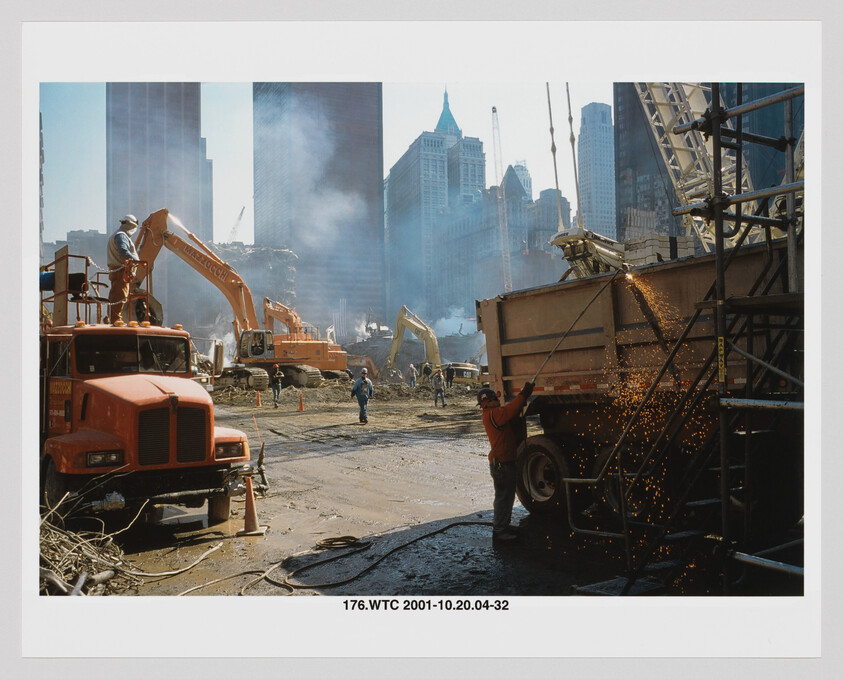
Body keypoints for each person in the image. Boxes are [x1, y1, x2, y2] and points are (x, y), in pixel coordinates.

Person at [477, 381, 534, 542]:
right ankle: (500, 530)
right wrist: (524, 394)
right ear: (487, 402)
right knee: (503, 497)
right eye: (495, 398)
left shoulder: (492, 413)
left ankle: (503, 525)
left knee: (506, 497)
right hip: (501, 464)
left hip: (502, 462)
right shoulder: (493, 414)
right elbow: (511, 410)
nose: (497, 400)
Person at [107, 214, 141, 323]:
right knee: (120, 295)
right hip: (121, 270)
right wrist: (136, 261)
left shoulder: (117, 234)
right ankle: (115, 319)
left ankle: (111, 318)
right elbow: (123, 252)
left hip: (118, 270)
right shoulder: (122, 236)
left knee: (115, 295)